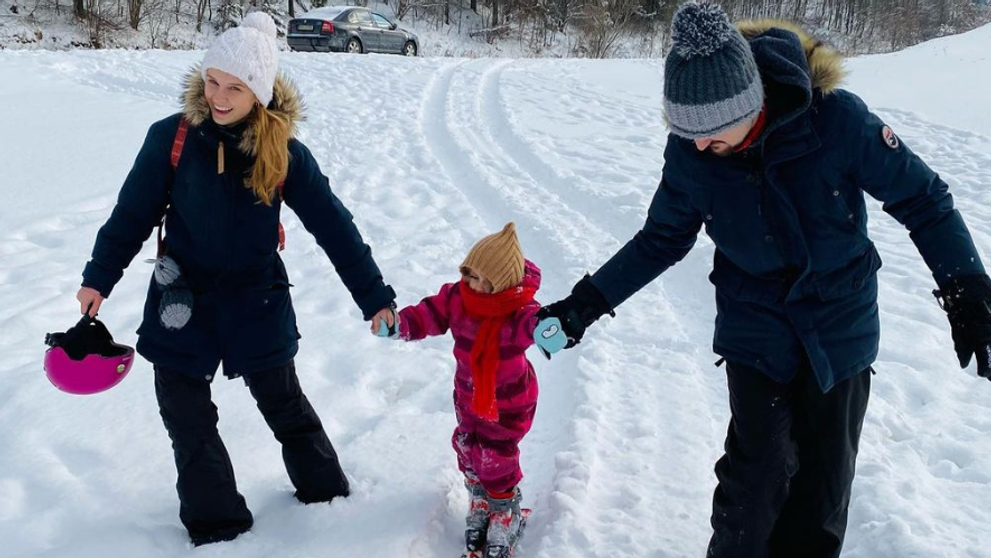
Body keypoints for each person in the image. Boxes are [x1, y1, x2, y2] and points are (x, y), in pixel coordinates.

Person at [534, 3, 991, 558]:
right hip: (755, 329)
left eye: (709, 133)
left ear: (750, 103)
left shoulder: (838, 122)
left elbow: (924, 199)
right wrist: (583, 305)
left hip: (839, 327)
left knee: (821, 492)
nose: (698, 146)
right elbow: (661, 239)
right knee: (754, 482)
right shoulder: (691, 152)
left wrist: (968, 293)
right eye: (686, 133)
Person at [75, 12, 397, 546]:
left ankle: (326, 499)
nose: (219, 97)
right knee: (185, 415)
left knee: (283, 403)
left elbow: (335, 227)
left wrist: (374, 298)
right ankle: (216, 523)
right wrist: (98, 279)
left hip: (256, 299)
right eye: (212, 81)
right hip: (180, 297)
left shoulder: (284, 153)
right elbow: (130, 214)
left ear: (260, 93)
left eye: (235, 87)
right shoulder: (171, 139)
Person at [374, 223, 540, 558]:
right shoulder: (458, 297)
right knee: (467, 446)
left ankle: (503, 508)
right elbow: (429, 314)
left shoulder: (518, 311)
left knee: (497, 456)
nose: (470, 282)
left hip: (508, 403)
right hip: (467, 396)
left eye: (480, 278)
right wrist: (400, 324)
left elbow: (534, 325)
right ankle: (479, 497)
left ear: (501, 283)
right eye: (467, 272)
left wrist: (551, 329)